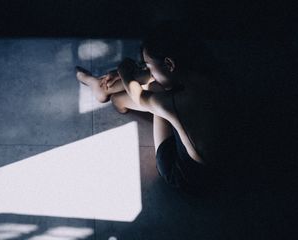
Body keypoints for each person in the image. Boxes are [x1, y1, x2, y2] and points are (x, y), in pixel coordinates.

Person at [76, 22, 224, 195]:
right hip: (219, 156)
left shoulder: (178, 103)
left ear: (169, 63)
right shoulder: (209, 75)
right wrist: (140, 72)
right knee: (161, 80)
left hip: (183, 173)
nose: (148, 71)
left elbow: (139, 97)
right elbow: (165, 73)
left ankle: (113, 97)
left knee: (155, 87)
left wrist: (123, 70)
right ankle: (102, 88)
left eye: (148, 66)